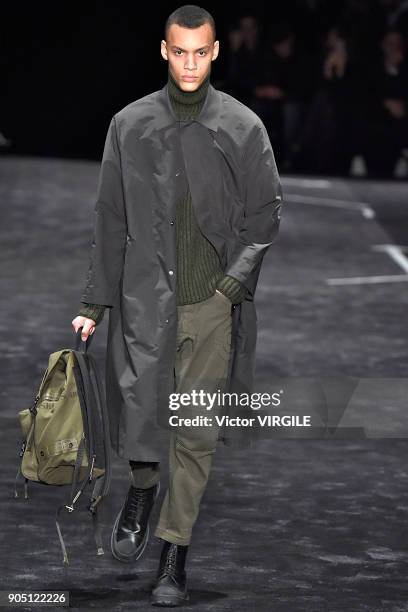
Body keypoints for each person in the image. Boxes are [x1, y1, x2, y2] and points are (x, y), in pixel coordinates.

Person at [72, 4, 282, 607]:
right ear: (164, 51)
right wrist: (95, 300)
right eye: (179, 51)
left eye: (201, 51)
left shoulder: (243, 128)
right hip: (144, 298)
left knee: (195, 432)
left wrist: (232, 288)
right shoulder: (129, 125)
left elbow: (266, 212)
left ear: (215, 52)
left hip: (211, 305)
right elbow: (110, 218)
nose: (190, 62)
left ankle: (174, 553)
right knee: (140, 415)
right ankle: (141, 486)